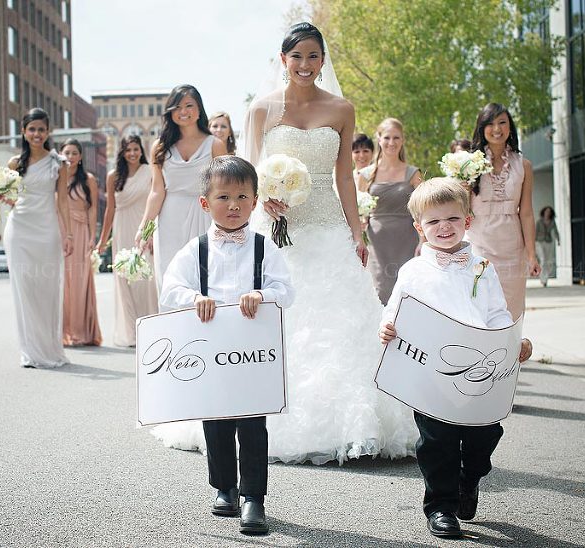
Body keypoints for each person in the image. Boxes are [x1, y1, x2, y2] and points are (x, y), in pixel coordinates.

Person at [239, 22, 418, 463]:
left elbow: (342, 176)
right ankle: (271, 413)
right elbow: (247, 171)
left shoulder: (341, 108)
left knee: (338, 317)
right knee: (283, 316)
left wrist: (356, 234)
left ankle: (351, 421)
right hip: (278, 228)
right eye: (296, 56)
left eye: (313, 56)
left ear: (323, 61)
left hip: (327, 226)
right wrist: (265, 198)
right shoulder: (261, 109)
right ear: (283, 60)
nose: (305, 64)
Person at [379, 178, 533, 539]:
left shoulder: (481, 267)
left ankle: (470, 476)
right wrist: (386, 326)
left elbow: (496, 312)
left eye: (451, 218)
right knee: (437, 441)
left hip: (479, 368)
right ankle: (441, 506)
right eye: (433, 222)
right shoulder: (413, 270)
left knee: (484, 436)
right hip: (432, 371)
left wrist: (513, 340)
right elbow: (395, 310)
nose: (443, 227)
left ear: (467, 220)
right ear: (420, 228)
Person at [159, 156, 295, 535]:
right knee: (216, 419)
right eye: (223, 197)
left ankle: (254, 497)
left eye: (241, 196)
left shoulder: (264, 248)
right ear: (205, 203)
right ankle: (225, 487)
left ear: (254, 201)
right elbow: (170, 289)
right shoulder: (195, 250)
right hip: (211, 348)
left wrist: (262, 294)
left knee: (253, 423)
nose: (233, 205)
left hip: (252, 351)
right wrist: (194, 299)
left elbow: (286, 291)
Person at [136, 85, 227, 287]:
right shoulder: (159, 147)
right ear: (170, 112)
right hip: (170, 219)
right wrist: (145, 227)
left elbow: (226, 188)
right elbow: (157, 191)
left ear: (199, 110)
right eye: (177, 107)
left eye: (189, 105)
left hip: (206, 214)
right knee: (171, 274)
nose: (183, 111)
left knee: (207, 275)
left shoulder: (215, 145)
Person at [4, 108, 71, 367]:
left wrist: (69, 234)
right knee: (24, 290)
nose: (36, 134)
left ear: (48, 132)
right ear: (23, 131)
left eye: (41, 129)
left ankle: (49, 348)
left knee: (46, 288)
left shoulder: (58, 163)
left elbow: (62, 201)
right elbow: (8, 199)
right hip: (18, 229)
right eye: (31, 129)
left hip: (46, 230)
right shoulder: (13, 164)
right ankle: (29, 352)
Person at [467, 103, 541, 320]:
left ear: (510, 127)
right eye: (490, 123)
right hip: (479, 242)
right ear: (482, 128)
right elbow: (460, 208)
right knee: (481, 301)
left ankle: (508, 352)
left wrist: (531, 255)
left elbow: (526, 213)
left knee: (512, 306)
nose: (497, 129)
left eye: (502, 122)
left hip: (512, 247)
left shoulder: (524, 165)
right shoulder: (470, 163)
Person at [96, 135, 158, 346]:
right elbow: (110, 210)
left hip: (143, 230)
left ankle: (150, 329)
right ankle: (131, 333)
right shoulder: (114, 176)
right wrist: (103, 240)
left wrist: (150, 234)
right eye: (128, 150)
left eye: (136, 149)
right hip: (122, 230)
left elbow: (157, 204)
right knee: (124, 283)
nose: (132, 153)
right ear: (122, 153)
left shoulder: (150, 172)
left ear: (141, 150)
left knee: (146, 283)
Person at [357, 118, 422, 304]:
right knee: (380, 289)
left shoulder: (413, 173)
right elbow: (359, 209)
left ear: (402, 140)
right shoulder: (366, 175)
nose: (391, 143)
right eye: (387, 137)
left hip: (408, 240)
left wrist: (423, 241)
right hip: (377, 243)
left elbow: (425, 209)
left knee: (408, 290)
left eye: (396, 138)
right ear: (378, 139)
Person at [58, 138, 102, 347]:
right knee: (61, 284)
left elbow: (93, 208)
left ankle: (81, 332)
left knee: (79, 282)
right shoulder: (56, 176)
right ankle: (63, 332)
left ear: (81, 156)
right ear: (60, 154)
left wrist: (93, 235)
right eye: (66, 152)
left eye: (74, 153)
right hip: (59, 231)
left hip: (81, 231)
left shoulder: (89, 179)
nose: (70, 157)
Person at [535, 206, 559, 287]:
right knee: (543, 259)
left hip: (548, 241)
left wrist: (558, 240)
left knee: (549, 261)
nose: (547, 213)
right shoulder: (539, 222)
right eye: (546, 211)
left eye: (549, 212)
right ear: (543, 212)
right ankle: (543, 279)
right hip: (539, 242)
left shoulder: (552, 222)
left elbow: (555, 231)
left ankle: (546, 277)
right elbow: (535, 231)